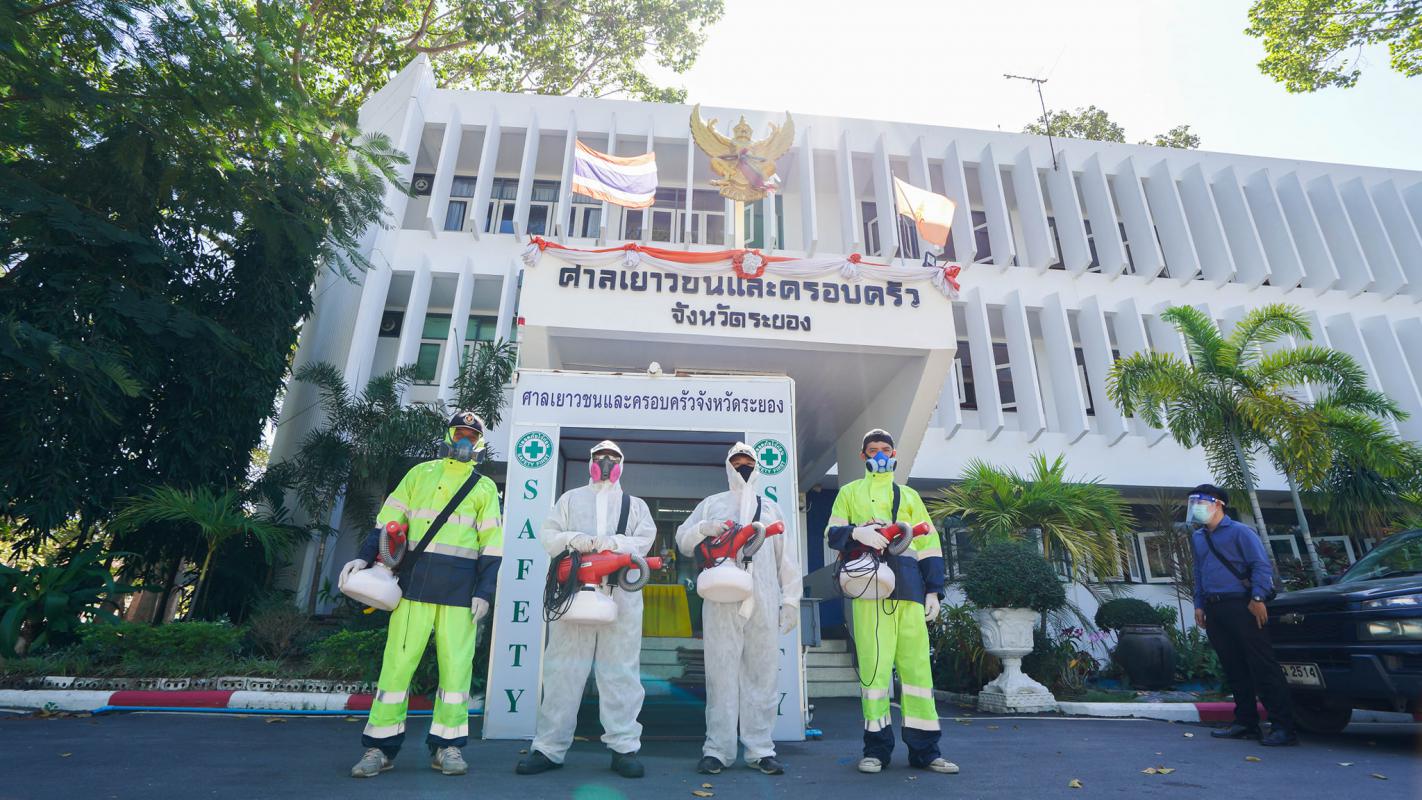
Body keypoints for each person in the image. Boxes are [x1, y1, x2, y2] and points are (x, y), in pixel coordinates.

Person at [340, 410, 504, 778]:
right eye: (460, 433)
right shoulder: (419, 474)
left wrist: (485, 591)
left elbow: (492, 545)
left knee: (456, 672)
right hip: (412, 586)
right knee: (396, 668)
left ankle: (447, 747)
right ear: (449, 435)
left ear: (479, 443)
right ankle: (379, 749)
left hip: (460, 594)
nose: (465, 441)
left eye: (471, 437)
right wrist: (364, 558)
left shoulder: (484, 488)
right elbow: (388, 523)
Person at [516, 440, 657, 778]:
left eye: (612, 458)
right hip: (574, 594)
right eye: (600, 457)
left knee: (620, 672)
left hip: (620, 595)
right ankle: (549, 748)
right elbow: (548, 535)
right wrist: (573, 539)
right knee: (562, 670)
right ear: (590, 462)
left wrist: (615, 544)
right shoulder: (570, 499)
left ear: (621, 464)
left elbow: (645, 540)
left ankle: (624, 748)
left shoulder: (635, 506)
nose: (606, 463)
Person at [826, 429, 956, 775]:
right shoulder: (849, 493)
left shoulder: (909, 496)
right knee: (875, 672)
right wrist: (857, 532)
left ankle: (926, 752)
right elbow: (831, 533)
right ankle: (876, 751)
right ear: (863, 456)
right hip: (869, 590)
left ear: (894, 454)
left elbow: (929, 545)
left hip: (910, 590)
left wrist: (933, 590)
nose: (880, 455)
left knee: (917, 672)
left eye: (885, 449)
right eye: (873, 450)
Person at [675, 442, 802, 776]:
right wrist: (702, 529)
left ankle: (761, 749)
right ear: (728, 466)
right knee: (721, 675)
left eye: (748, 461)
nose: (742, 467)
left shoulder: (770, 508)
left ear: (756, 467)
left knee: (762, 674)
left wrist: (790, 600)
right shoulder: (712, 504)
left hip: (763, 598)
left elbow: (787, 559)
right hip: (721, 598)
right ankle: (717, 749)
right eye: (737, 461)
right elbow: (682, 541)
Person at [1189, 484, 1298, 747]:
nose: (1196, 508)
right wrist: (1199, 604)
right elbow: (1199, 571)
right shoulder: (1199, 537)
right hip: (1214, 607)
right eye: (1193, 503)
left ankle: (1283, 727)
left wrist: (1258, 598)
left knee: (1262, 665)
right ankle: (1246, 722)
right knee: (1233, 666)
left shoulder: (1240, 531)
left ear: (1218, 504)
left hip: (1243, 604)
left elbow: (1260, 565)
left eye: (1201, 503)